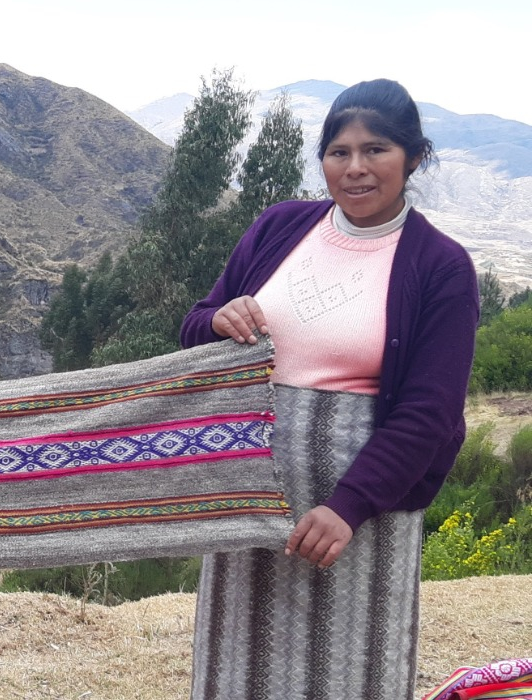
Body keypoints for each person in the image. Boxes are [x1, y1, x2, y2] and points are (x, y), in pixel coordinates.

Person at [180, 79, 478, 699]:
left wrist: (349, 507)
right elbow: (196, 326)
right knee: (238, 663)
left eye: (377, 151)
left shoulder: (440, 265)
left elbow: (431, 411)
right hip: (253, 496)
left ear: (414, 158)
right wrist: (215, 320)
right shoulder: (279, 228)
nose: (356, 168)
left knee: (345, 668)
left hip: (360, 503)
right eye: (338, 152)